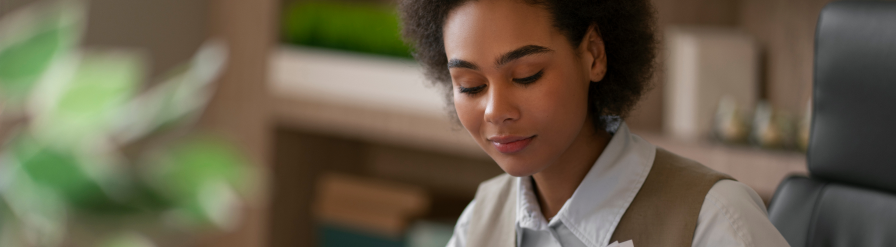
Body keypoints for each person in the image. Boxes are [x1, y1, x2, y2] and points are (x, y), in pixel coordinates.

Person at [399, 0, 790, 246]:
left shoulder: (713, 219)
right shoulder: (480, 221)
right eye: (471, 86)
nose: (495, 111)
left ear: (593, 55)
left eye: (526, 75)